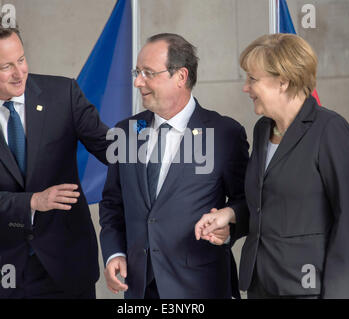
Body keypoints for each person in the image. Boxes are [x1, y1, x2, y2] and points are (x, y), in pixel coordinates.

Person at [0, 17, 110, 298]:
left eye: (21, 59)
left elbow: (109, 148)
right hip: (1, 266)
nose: (20, 73)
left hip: (67, 260)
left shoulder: (63, 94)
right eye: (6, 66)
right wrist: (32, 202)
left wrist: (153, 140)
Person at [195, 33, 349, 298]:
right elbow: (265, 204)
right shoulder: (263, 129)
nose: (245, 88)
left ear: (283, 82)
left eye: (253, 79)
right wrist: (230, 217)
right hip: (260, 284)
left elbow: (348, 221)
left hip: (308, 288)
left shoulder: (330, 130)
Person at [99, 33, 249, 299]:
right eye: (137, 72)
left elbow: (248, 202)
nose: (137, 81)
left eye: (147, 73)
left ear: (180, 76)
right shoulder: (125, 132)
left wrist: (228, 229)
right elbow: (112, 204)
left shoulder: (224, 133)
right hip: (139, 289)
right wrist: (115, 253)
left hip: (200, 288)